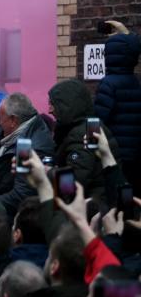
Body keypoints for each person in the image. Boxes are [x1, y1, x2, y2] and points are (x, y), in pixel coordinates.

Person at [48, 79, 114, 200]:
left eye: (53, 104)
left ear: (68, 105)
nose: (49, 110)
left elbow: (72, 185)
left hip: (91, 208)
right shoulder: (80, 128)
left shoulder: (81, 135)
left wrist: (46, 173)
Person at [94, 20, 141, 188]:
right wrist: (128, 35)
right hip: (134, 153)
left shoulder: (108, 84)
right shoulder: (136, 82)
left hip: (114, 154)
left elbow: (97, 120)